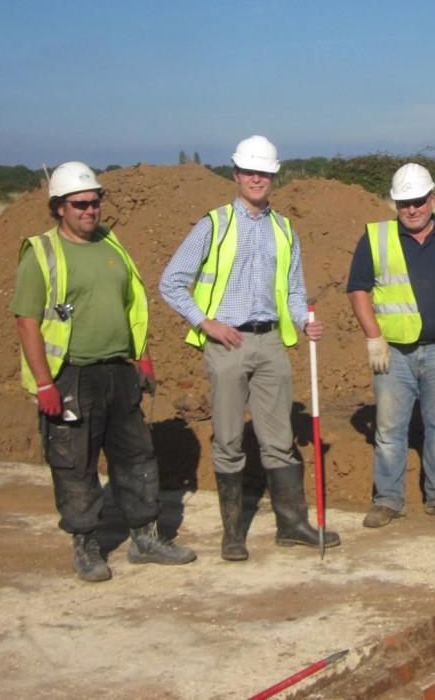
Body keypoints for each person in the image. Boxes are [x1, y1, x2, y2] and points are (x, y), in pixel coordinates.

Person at [11, 162, 196, 582]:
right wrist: (44, 383)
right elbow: (26, 322)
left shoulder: (111, 243)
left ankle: (146, 539)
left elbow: (134, 306)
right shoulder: (42, 254)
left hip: (118, 371)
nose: (91, 211)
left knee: (137, 457)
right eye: (80, 204)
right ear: (59, 207)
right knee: (75, 463)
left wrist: (143, 356)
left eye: (95, 202)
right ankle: (86, 545)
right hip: (71, 375)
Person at [159, 135, 339, 561]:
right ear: (236, 175)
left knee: (278, 440)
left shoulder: (283, 228)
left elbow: (294, 290)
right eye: (250, 172)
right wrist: (207, 323)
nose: (257, 179)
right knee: (229, 439)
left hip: (272, 342)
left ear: (273, 177)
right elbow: (171, 281)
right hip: (228, 344)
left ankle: (292, 525)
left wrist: (302, 322)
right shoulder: (214, 224)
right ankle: (233, 533)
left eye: (264, 173)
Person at [347, 163, 435, 528]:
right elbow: (358, 289)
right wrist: (373, 337)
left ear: (432, 199)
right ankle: (388, 499)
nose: (412, 209)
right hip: (394, 355)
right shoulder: (376, 237)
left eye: (418, 201)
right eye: (404, 203)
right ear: (394, 204)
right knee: (388, 432)